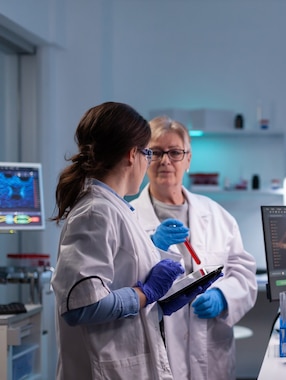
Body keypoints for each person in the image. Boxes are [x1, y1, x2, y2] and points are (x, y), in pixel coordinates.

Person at [50, 102, 211, 379]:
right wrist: (145, 293)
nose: (151, 161)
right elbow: (81, 306)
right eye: (148, 152)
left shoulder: (117, 209)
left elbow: (116, 288)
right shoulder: (96, 212)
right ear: (131, 154)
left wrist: (160, 300)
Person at [131, 115, 258, 380]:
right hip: (157, 353)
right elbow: (122, 288)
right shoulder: (128, 218)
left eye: (175, 152)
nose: (165, 161)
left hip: (211, 353)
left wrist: (224, 297)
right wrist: (153, 248)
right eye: (155, 152)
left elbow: (244, 275)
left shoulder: (217, 216)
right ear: (144, 159)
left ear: (188, 160)